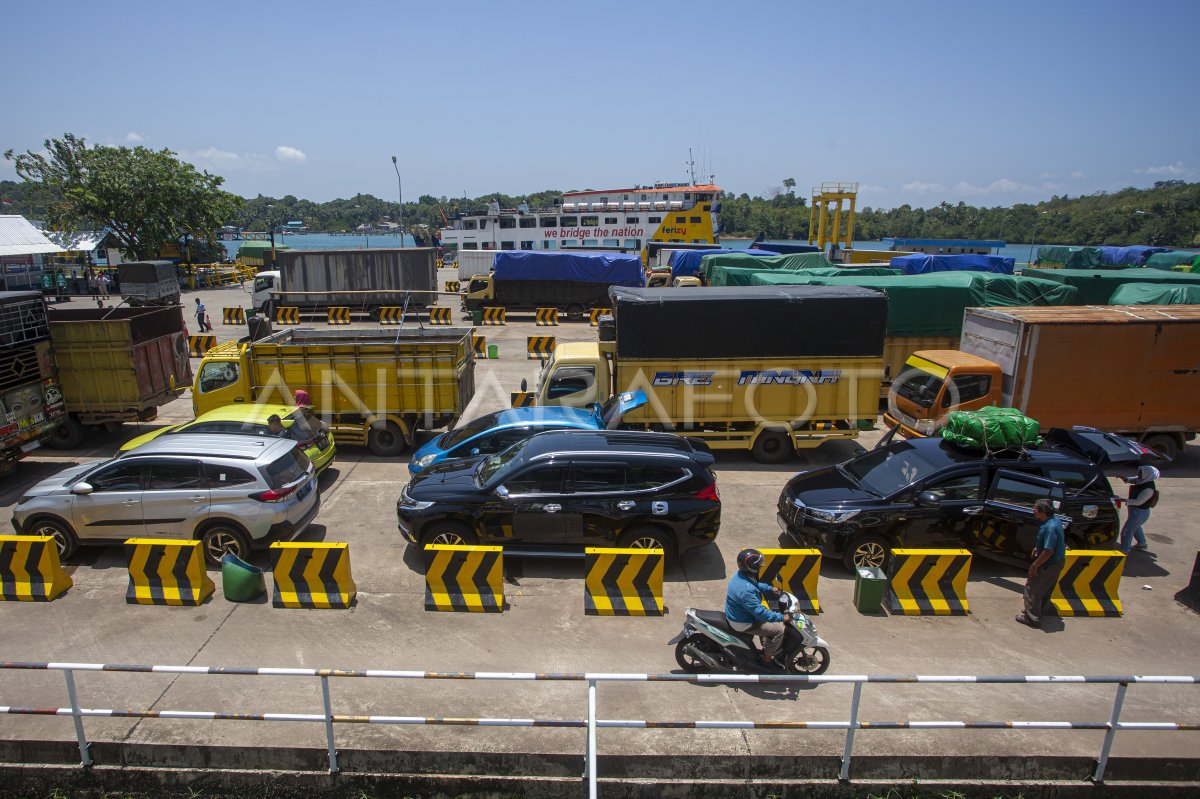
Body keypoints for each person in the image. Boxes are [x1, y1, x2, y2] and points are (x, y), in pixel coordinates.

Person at [725, 548, 790, 668]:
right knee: (779, 630)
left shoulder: (741, 575)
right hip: (743, 622)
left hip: (740, 613)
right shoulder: (746, 590)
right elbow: (760, 613)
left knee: (769, 618)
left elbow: (755, 584)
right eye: (759, 565)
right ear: (752, 567)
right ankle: (766, 661)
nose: (761, 567)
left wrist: (770, 588)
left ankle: (766, 644)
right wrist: (782, 617)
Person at [1016, 498, 1065, 629]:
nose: (1033, 510)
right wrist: (1038, 547)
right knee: (1045, 589)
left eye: (1035, 508)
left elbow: (1049, 551)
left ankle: (1031, 618)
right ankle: (1038, 612)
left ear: (1042, 512)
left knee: (1032, 589)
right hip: (1057, 563)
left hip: (1048, 564)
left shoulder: (1050, 528)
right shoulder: (1054, 522)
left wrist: (1035, 565)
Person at [1118, 465, 1160, 553]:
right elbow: (1134, 479)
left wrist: (1123, 500)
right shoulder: (1143, 479)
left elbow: (1138, 501)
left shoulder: (1148, 489)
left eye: (1141, 473)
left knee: (1127, 531)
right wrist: (1125, 479)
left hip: (1139, 513)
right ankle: (1142, 544)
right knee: (1136, 527)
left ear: (1146, 475)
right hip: (1136, 512)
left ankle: (1124, 550)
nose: (1139, 474)